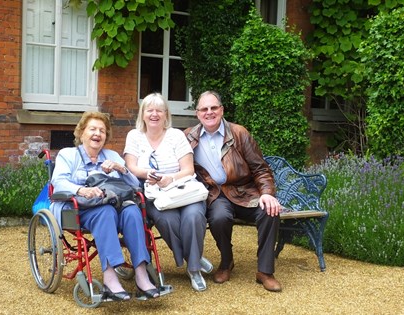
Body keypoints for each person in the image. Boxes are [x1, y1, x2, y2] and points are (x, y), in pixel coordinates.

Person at [50, 111, 160, 301]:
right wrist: (81, 190)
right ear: (82, 133)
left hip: (114, 205)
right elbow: (58, 182)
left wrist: (120, 168)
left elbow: (134, 184)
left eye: (102, 131)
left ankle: (141, 273)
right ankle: (110, 277)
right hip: (79, 210)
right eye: (92, 129)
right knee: (105, 212)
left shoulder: (112, 156)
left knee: (133, 211)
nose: (97, 134)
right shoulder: (68, 155)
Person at [184, 91, 283, 292]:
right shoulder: (187, 137)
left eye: (214, 108)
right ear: (197, 113)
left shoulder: (239, 133)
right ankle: (226, 261)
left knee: (269, 212)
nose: (209, 112)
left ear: (222, 110)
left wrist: (267, 193)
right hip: (216, 194)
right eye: (204, 109)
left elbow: (260, 168)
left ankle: (265, 271)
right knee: (219, 218)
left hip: (245, 191)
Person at [124, 92, 213, 292]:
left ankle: (194, 270)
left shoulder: (176, 135)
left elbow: (188, 169)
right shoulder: (134, 136)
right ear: (143, 114)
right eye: (150, 110)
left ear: (166, 114)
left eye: (159, 110)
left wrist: (169, 178)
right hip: (155, 193)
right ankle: (195, 259)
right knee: (168, 221)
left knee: (193, 217)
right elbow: (131, 166)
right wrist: (151, 175)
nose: (154, 114)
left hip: (183, 189)